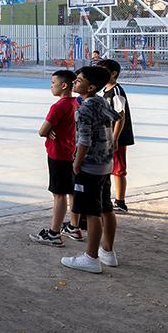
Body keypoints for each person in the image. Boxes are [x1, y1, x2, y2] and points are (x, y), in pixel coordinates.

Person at [61, 66, 119, 274]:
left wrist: (77, 163)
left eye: (79, 80)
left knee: (91, 212)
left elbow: (84, 140)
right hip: (105, 164)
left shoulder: (84, 109)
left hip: (90, 167)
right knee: (106, 208)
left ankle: (91, 257)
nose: (75, 82)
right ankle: (108, 251)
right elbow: (116, 118)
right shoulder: (101, 101)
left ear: (91, 86)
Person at [29, 70, 77, 247]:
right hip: (72, 151)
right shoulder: (76, 103)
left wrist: (47, 131)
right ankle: (74, 226)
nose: (51, 86)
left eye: (53, 83)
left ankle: (54, 233)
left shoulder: (59, 107)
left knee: (59, 195)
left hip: (58, 154)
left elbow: (42, 131)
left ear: (64, 85)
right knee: (71, 191)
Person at [99, 59, 134, 213]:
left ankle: (120, 202)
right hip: (107, 137)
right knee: (107, 168)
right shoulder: (105, 90)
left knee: (118, 169)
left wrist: (114, 138)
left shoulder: (117, 91)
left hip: (117, 137)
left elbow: (121, 116)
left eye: (103, 71)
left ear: (114, 73)